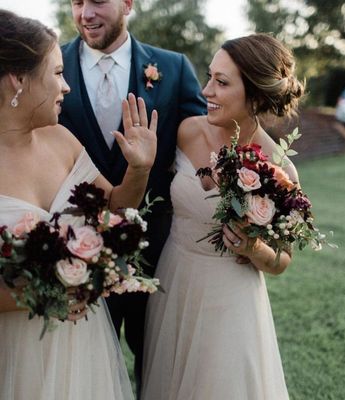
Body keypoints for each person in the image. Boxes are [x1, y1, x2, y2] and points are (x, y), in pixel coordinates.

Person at [0, 10, 157, 400]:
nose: (66, 86)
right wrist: (48, 294)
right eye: (56, 73)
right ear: (18, 80)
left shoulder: (62, 140)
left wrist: (139, 169)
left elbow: (117, 209)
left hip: (80, 344)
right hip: (12, 352)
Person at [141, 33, 304, 400]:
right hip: (175, 279)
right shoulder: (187, 132)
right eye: (209, 76)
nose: (206, 90)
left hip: (230, 294)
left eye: (221, 82)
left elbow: (282, 260)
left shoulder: (279, 169)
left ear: (256, 94)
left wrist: (254, 248)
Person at [58, 0, 207, 390]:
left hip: (155, 249)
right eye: (76, 2)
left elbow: (208, 141)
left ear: (127, 4)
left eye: (98, 1)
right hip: (72, 252)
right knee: (80, 370)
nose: (85, 14)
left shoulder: (172, 68)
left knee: (158, 363)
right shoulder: (49, 66)